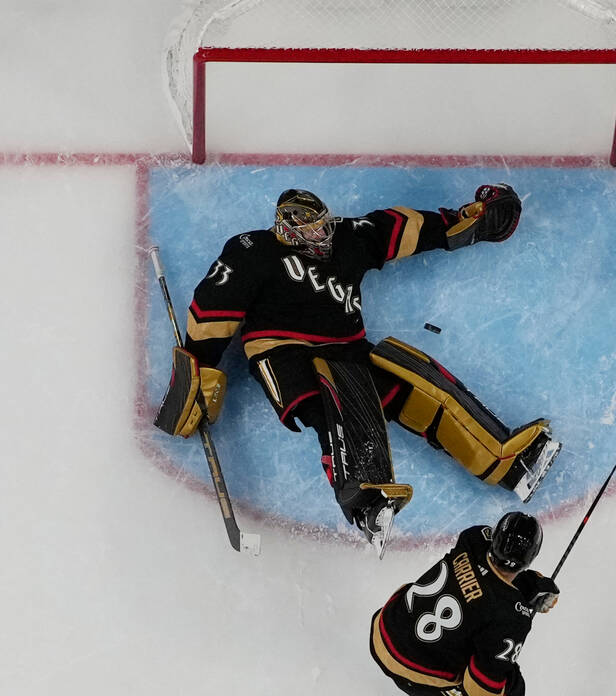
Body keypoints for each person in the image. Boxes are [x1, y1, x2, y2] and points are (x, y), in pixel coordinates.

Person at [153, 187, 561, 550]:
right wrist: (198, 368)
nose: (322, 236)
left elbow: (400, 228)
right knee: (333, 403)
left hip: (349, 349)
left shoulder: (346, 237)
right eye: (312, 231)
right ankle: (365, 502)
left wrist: (467, 222)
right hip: (281, 351)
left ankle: (509, 463)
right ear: (288, 230)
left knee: (418, 381)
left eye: (324, 226)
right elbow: (212, 308)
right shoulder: (253, 249)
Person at [369, 511, 566, 696]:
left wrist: (525, 589)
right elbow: (481, 689)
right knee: (506, 684)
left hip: (383, 628)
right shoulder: (511, 619)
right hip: (411, 673)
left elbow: (487, 581)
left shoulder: (473, 538)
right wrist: (518, 609)